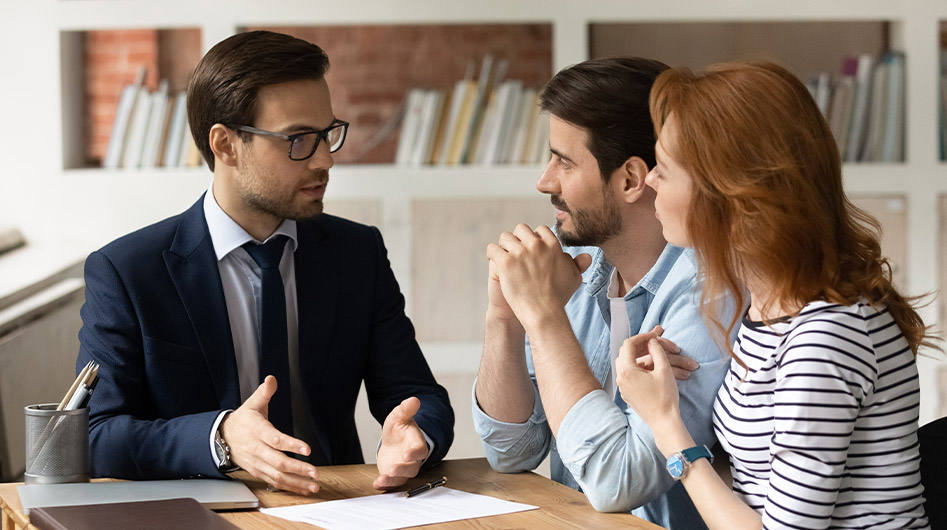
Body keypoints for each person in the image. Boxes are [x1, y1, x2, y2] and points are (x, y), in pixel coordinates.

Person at [76, 30, 454, 495]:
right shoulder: (128, 271)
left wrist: (416, 437)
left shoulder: (357, 253)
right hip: (198, 513)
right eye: (297, 139)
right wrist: (220, 438)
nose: (324, 161)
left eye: (326, 134)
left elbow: (419, 394)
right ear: (225, 145)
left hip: (338, 505)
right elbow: (96, 436)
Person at [617, 61, 934, 529]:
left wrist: (665, 424)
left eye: (664, 168)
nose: (650, 182)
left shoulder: (827, 334)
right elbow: (760, 485)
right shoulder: (768, 307)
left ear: (730, 194)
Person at [472, 57, 733, 529]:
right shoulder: (580, 274)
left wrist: (543, 316)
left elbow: (620, 482)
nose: (544, 181)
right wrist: (505, 319)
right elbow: (510, 451)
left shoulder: (708, 291)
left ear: (632, 179)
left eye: (563, 161)